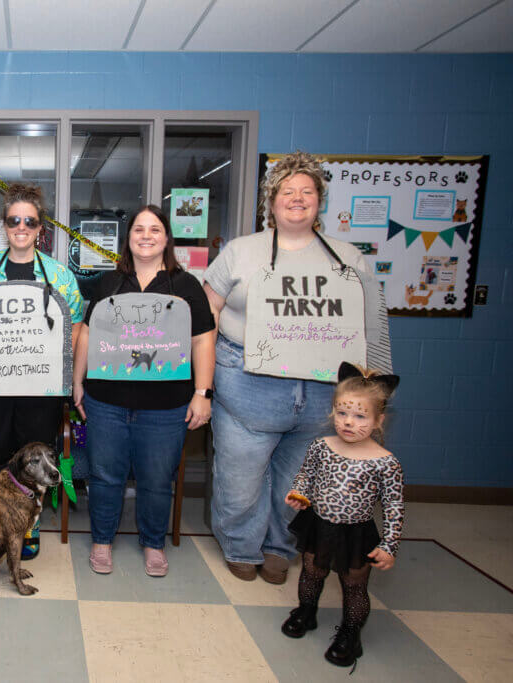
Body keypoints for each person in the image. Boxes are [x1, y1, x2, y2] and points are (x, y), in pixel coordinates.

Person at [204, 151, 370, 584]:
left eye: (307, 192)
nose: (297, 199)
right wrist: (202, 381)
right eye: (287, 192)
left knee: (296, 482)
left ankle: (279, 547)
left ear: (320, 201)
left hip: (319, 390)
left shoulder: (349, 258)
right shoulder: (241, 252)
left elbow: (369, 325)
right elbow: (207, 314)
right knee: (240, 478)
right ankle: (241, 546)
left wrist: (367, 388)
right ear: (271, 201)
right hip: (246, 384)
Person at [72, 206, 215, 577]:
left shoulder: (186, 286)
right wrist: (76, 381)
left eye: (155, 229)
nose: (146, 236)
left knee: (156, 479)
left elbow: (202, 340)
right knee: (104, 476)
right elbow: (87, 334)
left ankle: (153, 543)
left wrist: (203, 392)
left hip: (166, 408)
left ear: (167, 238)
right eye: (139, 229)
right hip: (106, 403)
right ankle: (102, 541)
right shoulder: (108, 284)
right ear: (128, 238)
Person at [0, 182, 84, 560]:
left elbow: (75, 326)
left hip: (39, 388)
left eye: (29, 220)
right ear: (4, 224)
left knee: (34, 459)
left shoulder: (59, 276)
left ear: (40, 227)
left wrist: (61, 371)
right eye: (14, 219)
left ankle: (28, 529)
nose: (21, 226)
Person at [282, 362, 402, 668]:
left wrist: (389, 545)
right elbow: (305, 476)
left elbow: (394, 507)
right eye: (342, 413)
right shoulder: (321, 446)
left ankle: (350, 633)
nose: (348, 422)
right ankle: (306, 611)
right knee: (312, 571)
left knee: (354, 584)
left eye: (360, 416)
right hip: (319, 524)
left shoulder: (385, 463)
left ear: (378, 420)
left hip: (356, 532)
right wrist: (299, 493)